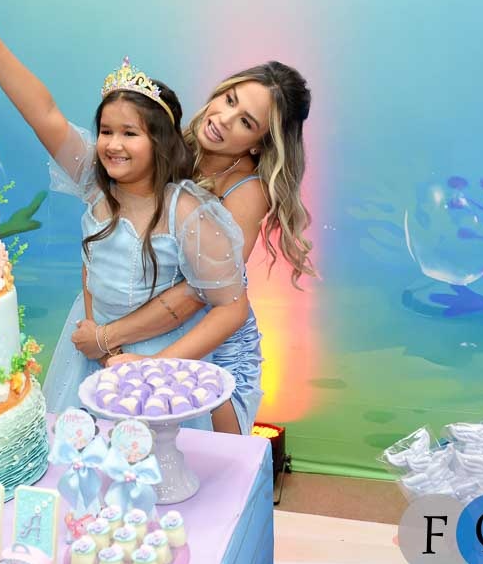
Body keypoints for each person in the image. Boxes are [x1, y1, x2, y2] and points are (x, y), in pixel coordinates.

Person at [0, 0, 250, 417]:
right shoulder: (95, 183)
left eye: (130, 133)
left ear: (162, 143)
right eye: (107, 131)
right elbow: (43, 112)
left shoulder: (186, 211)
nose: (113, 144)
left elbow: (231, 308)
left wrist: (152, 366)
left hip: (158, 368)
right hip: (89, 353)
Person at [71, 62, 315, 435]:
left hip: (210, 339)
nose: (224, 119)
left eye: (246, 122)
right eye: (229, 100)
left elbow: (197, 294)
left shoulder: (247, 191)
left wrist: (111, 340)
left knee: (200, 451)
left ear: (259, 142)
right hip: (148, 327)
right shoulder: (175, 146)